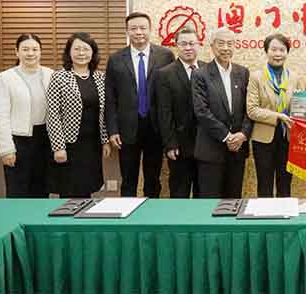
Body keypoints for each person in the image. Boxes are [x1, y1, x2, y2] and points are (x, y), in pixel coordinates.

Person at [105, 12, 175, 198]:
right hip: (127, 129)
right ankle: (128, 214)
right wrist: (112, 130)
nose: (138, 32)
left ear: (150, 30)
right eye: (133, 28)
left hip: (156, 127)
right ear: (127, 31)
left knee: (153, 180)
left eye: (143, 28)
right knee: (128, 180)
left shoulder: (166, 56)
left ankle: (152, 213)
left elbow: (171, 94)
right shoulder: (116, 59)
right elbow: (110, 99)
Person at [46, 32, 111, 198]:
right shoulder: (59, 77)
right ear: (69, 52)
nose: (81, 53)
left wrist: (105, 141)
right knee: (69, 190)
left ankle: (84, 215)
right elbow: (53, 114)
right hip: (69, 145)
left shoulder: (100, 77)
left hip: (92, 144)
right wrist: (58, 147)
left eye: (86, 49)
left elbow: (103, 112)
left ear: (93, 53)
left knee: (87, 188)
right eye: (77, 49)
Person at [191, 28, 253, 198]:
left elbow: (250, 108)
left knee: (233, 201)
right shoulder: (200, 74)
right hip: (211, 150)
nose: (226, 48)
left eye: (230, 44)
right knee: (210, 202)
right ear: (212, 46)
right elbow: (201, 111)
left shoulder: (243, 73)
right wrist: (227, 137)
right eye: (221, 43)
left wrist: (243, 134)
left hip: (237, 150)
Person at [0, 33, 54, 198]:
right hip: (18, 141)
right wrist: (6, 149)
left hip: (45, 139)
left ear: (40, 52)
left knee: (42, 190)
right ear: (16, 52)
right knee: (18, 191)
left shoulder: (51, 74)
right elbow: (1, 116)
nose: (30, 53)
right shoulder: (5, 78)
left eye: (34, 49)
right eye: (25, 49)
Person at [153, 27, 206, 198]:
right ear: (176, 45)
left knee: (203, 194)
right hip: (180, 146)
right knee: (179, 193)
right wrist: (170, 144)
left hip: (206, 144)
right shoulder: (165, 74)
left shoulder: (208, 70)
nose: (188, 48)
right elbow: (164, 112)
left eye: (192, 43)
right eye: (183, 44)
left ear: (199, 44)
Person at [247, 33, 300, 197]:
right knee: (265, 183)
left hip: (288, 137)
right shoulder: (256, 77)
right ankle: (265, 214)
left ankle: (285, 212)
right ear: (266, 51)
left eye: (282, 50)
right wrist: (278, 116)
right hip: (263, 139)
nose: (278, 54)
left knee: (285, 183)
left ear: (287, 52)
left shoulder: (294, 77)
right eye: (274, 50)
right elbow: (252, 110)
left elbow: (301, 106)